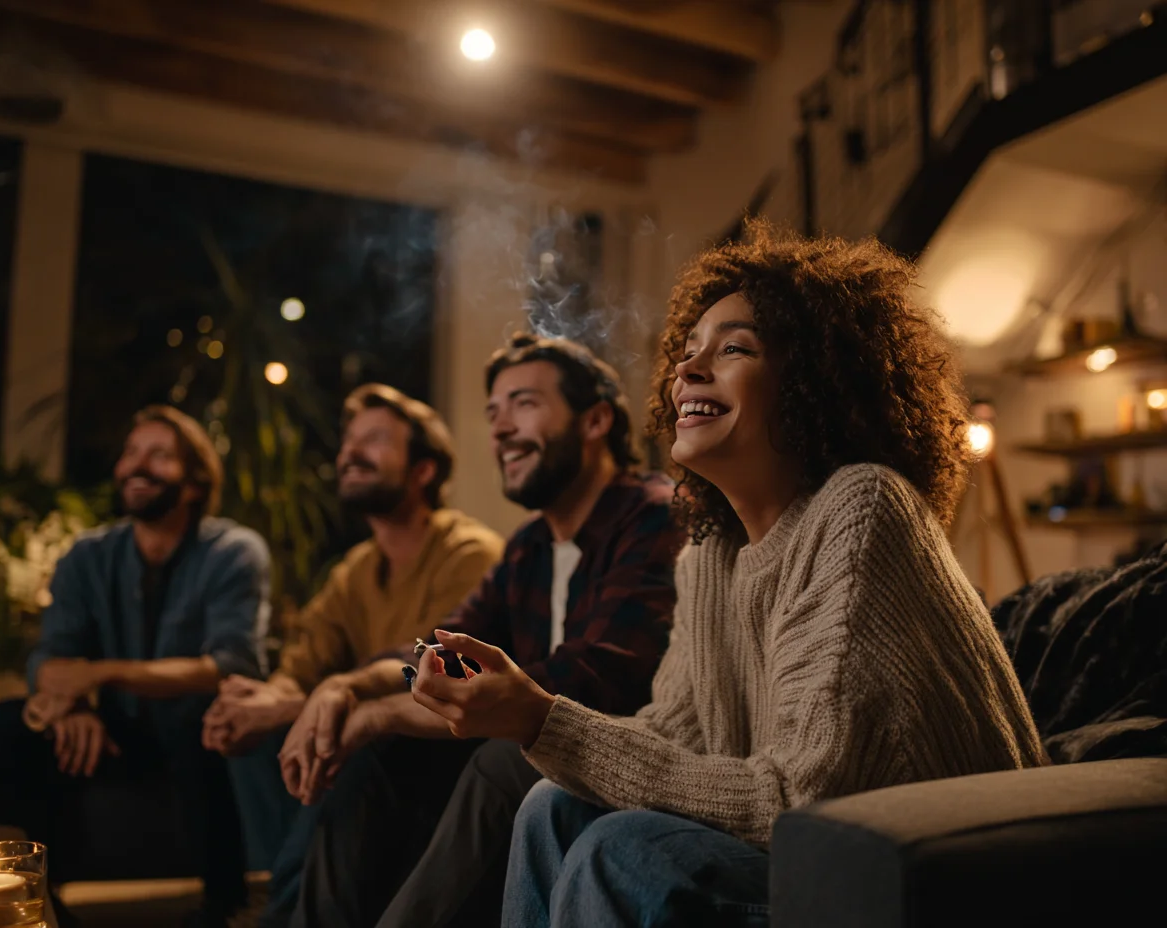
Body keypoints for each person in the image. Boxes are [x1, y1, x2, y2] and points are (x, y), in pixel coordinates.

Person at [408, 222, 1049, 928]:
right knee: (552, 806)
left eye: (734, 348)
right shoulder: (712, 556)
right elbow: (675, 739)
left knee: (622, 852)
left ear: (811, 381)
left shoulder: (862, 508)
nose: (687, 370)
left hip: (937, 886)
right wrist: (534, 720)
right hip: (820, 857)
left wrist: (541, 718)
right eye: (687, 353)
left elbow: (799, 803)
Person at [285, 334, 683, 928]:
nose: (498, 429)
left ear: (596, 420)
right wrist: (347, 688)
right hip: (536, 756)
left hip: (626, 758)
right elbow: (439, 643)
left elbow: (593, 681)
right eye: (493, 412)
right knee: (370, 749)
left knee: (503, 757)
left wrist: (386, 710)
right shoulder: (529, 546)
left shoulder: (652, 513)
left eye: (523, 403)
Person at [201, 384, 504, 926]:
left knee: (356, 736)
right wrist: (258, 700)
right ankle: (270, 895)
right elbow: (302, 666)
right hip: (371, 734)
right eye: (348, 441)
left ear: (423, 471)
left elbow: (431, 666)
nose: (350, 452)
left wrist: (294, 703)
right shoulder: (356, 569)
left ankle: (290, 909)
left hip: (442, 748)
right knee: (245, 721)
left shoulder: (469, 551)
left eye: (376, 440)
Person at [0, 405, 271, 928]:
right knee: (12, 721)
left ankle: (223, 906)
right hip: (111, 729)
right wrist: (71, 707)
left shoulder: (233, 551)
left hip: (192, 731)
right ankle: (38, 895)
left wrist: (98, 675)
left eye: (159, 455)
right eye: (131, 453)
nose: (137, 466)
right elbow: (50, 659)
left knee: (203, 717)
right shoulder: (88, 555)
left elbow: (234, 665)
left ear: (193, 482)